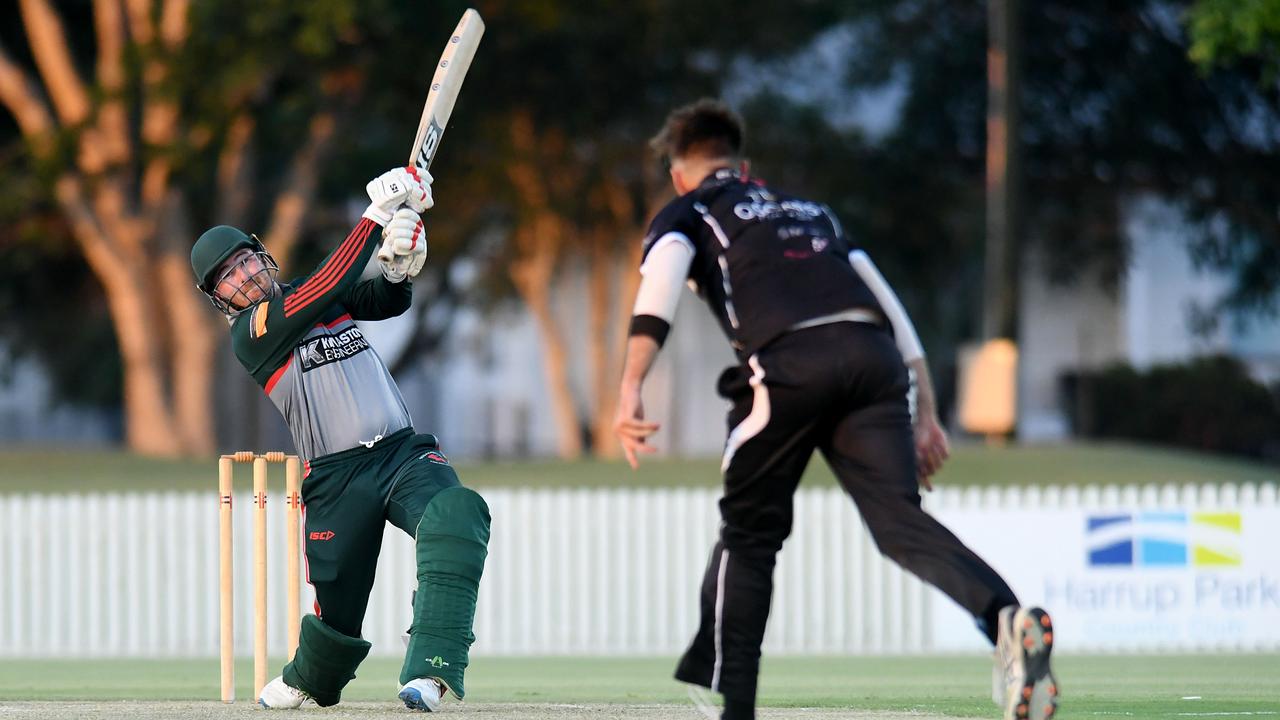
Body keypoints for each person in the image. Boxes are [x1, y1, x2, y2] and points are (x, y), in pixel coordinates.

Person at [613, 99, 1058, 720]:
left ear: (678, 171)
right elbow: (887, 302)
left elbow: (658, 289)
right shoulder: (809, 210)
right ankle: (1006, 618)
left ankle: (733, 704)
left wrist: (631, 384)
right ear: (745, 164)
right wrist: (926, 410)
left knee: (750, 534)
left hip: (791, 363)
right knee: (899, 523)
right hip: (874, 360)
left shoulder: (686, 210)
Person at [190, 166, 491, 712]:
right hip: (335, 478)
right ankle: (309, 677)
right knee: (338, 614)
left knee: (455, 512)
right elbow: (329, 282)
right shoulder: (252, 333)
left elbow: (382, 299)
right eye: (226, 278)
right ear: (220, 298)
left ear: (262, 255)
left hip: (402, 453)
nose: (242, 277)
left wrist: (400, 267)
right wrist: (374, 220)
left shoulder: (316, 295)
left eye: (244, 261)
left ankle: (433, 672)